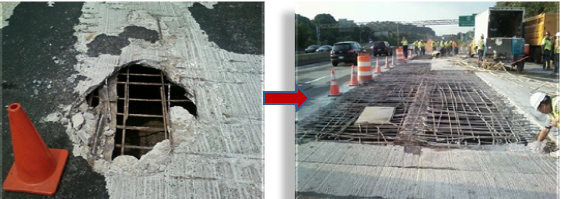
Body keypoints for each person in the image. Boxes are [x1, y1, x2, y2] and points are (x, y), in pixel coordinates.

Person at [530, 92, 560, 157]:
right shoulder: (550, 113)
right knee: (554, 131)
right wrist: (538, 143)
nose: (540, 112)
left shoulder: (557, 102)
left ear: (543, 105)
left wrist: (556, 119)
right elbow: (545, 129)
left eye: (539, 110)